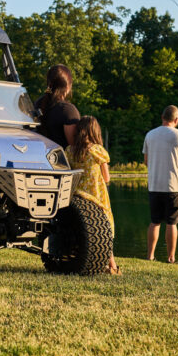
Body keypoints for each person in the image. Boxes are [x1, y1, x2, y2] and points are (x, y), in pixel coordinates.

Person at [68, 116, 121, 274]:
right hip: (96, 195)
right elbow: (106, 177)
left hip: (76, 194)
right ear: (94, 131)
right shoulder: (97, 151)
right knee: (106, 229)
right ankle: (112, 265)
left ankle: (111, 265)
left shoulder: (69, 150)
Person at [142, 105, 178, 263]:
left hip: (154, 185)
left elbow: (146, 161)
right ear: (176, 120)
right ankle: (171, 258)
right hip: (174, 186)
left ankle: (150, 256)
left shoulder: (150, 135)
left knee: (154, 221)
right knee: (172, 222)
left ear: (162, 117)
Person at [35, 64, 80, 148]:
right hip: (60, 160)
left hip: (40, 158)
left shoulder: (38, 104)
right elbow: (74, 147)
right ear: (68, 86)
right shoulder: (68, 110)